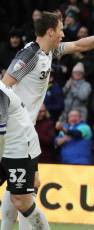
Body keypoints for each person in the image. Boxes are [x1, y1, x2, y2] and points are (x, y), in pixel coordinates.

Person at [0, 11, 94, 230]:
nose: (64, 34)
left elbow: (79, 45)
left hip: (25, 133)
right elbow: (5, 85)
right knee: (24, 194)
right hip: (14, 133)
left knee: (24, 189)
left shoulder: (49, 51)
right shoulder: (30, 56)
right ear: (50, 31)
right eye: (61, 29)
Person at [0, 80, 50, 229]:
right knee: (15, 198)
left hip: (18, 148)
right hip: (9, 144)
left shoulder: (1, 94)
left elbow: (1, 134)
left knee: (21, 201)